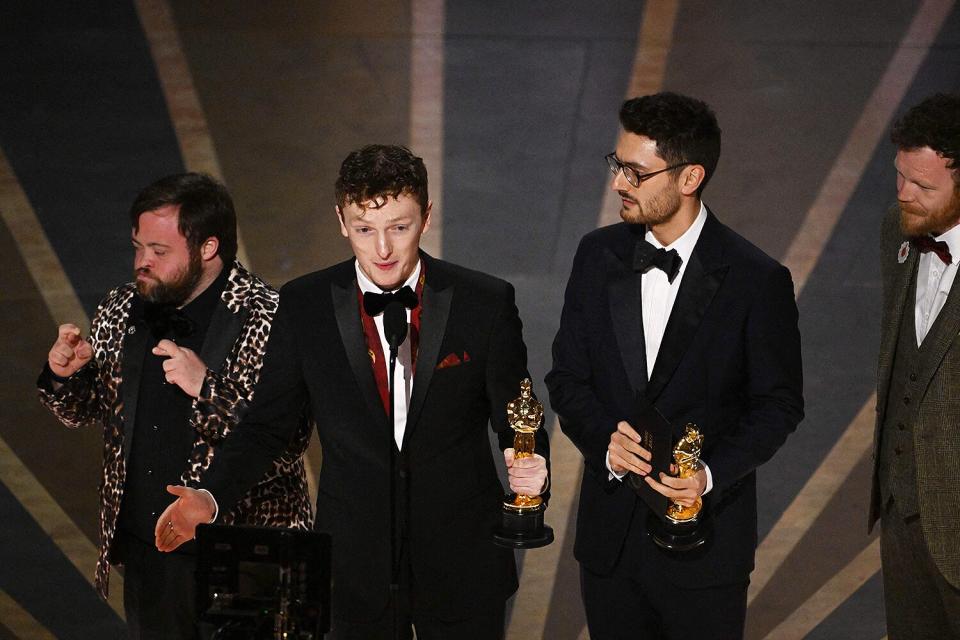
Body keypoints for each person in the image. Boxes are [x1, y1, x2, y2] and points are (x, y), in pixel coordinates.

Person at [154, 145, 550, 639]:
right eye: (365, 230)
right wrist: (211, 497)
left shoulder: (484, 301)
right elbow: (268, 426)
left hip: (461, 559)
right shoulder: (304, 305)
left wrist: (530, 466)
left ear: (426, 218)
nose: (382, 249)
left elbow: (518, 414)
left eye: (399, 228)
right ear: (341, 222)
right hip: (355, 566)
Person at [546, 92, 803, 639]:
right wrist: (604, 442)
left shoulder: (756, 280)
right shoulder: (597, 256)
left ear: (689, 178)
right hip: (609, 544)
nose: (618, 183)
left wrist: (709, 474)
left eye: (636, 173)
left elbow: (777, 405)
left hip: (705, 549)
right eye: (617, 165)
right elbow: (566, 379)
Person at [37, 173, 313, 639]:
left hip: (246, 553)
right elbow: (85, 412)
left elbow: (286, 443)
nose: (141, 263)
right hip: (154, 557)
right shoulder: (122, 308)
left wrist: (207, 386)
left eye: (159, 251)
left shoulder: (270, 316)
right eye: (138, 246)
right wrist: (67, 376)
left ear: (208, 248)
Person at [869, 92, 960, 639]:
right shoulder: (895, 232)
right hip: (904, 513)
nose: (904, 195)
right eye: (900, 176)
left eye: (923, 186)